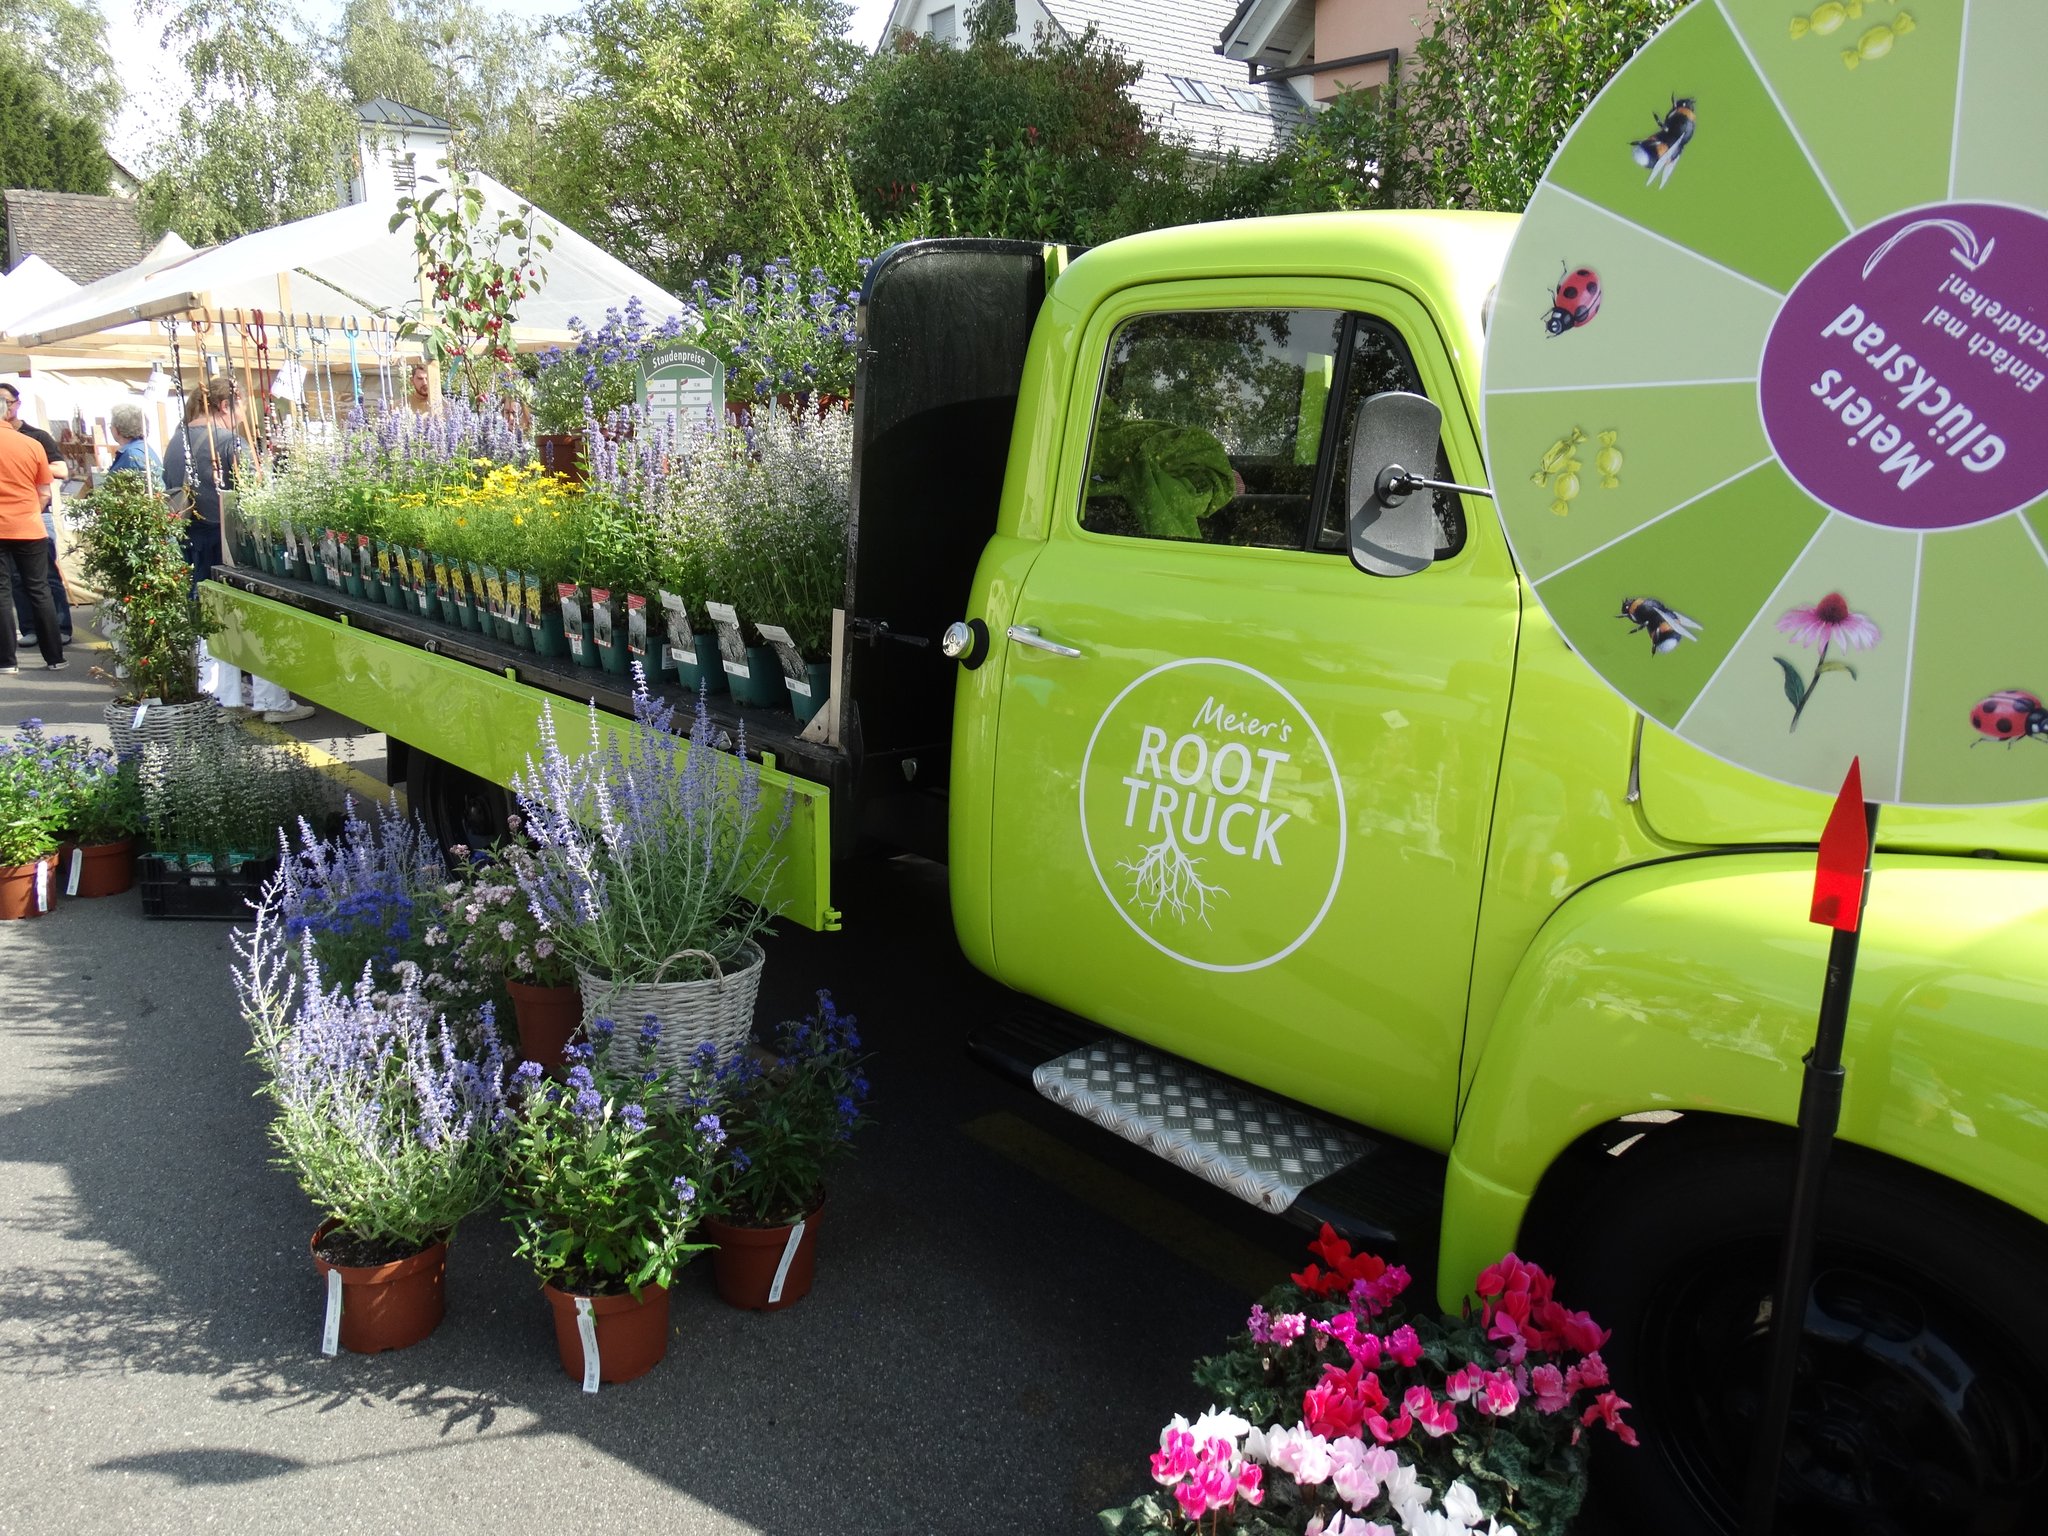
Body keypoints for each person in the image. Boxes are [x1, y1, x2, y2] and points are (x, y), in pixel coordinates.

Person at [164, 376, 315, 724]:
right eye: (242, 409)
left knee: (212, 619)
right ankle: (272, 700)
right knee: (259, 616)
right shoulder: (228, 442)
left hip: (191, 539)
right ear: (224, 406)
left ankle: (223, 698)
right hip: (230, 542)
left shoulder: (176, 440)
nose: (241, 417)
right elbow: (254, 495)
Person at [0, 383, 73, 647]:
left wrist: (28, 464)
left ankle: (60, 627)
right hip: (20, 515)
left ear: (17, 403)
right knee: (17, 580)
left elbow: (62, 470)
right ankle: (30, 628)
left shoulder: (36, 436)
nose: (5, 406)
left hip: (37, 514)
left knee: (45, 577)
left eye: (7, 400)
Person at [108, 403, 161, 480]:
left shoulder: (132, 456)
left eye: (111, 425)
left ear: (118, 429)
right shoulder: (143, 448)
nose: (110, 428)